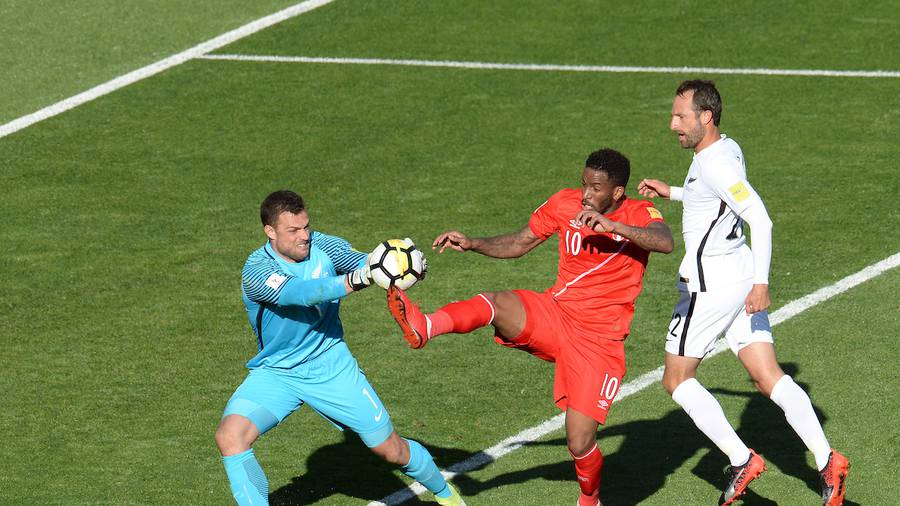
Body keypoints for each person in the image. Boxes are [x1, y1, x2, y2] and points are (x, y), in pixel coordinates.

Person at [388, 149, 674, 506]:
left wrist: (614, 227)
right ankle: (425, 326)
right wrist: (474, 243)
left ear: (617, 192)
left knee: (579, 441)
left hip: (599, 341)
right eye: (584, 184)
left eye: (596, 188)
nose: (586, 194)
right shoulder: (565, 203)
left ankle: (590, 500)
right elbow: (520, 241)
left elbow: (665, 241)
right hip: (557, 313)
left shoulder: (639, 213)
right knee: (496, 302)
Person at [638, 80, 849, 506]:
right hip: (738, 271)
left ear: (706, 116)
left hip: (712, 285)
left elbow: (760, 218)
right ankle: (828, 459)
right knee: (767, 376)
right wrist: (675, 192)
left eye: (680, 116)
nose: (672, 124)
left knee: (676, 379)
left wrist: (762, 283)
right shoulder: (727, 149)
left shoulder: (715, 165)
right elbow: (718, 199)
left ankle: (741, 459)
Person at [214, 190, 465, 506]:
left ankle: (447, 495)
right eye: (293, 230)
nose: (304, 236)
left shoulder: (323, 246)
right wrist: (357, 279)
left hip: (331, 366)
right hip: (278, 373)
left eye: (306, 226)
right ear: (270, 231)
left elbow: (370, 264)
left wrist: (403, 266)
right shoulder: (257, 270)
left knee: (392, 450)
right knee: (230, 436)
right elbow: (300, 293)